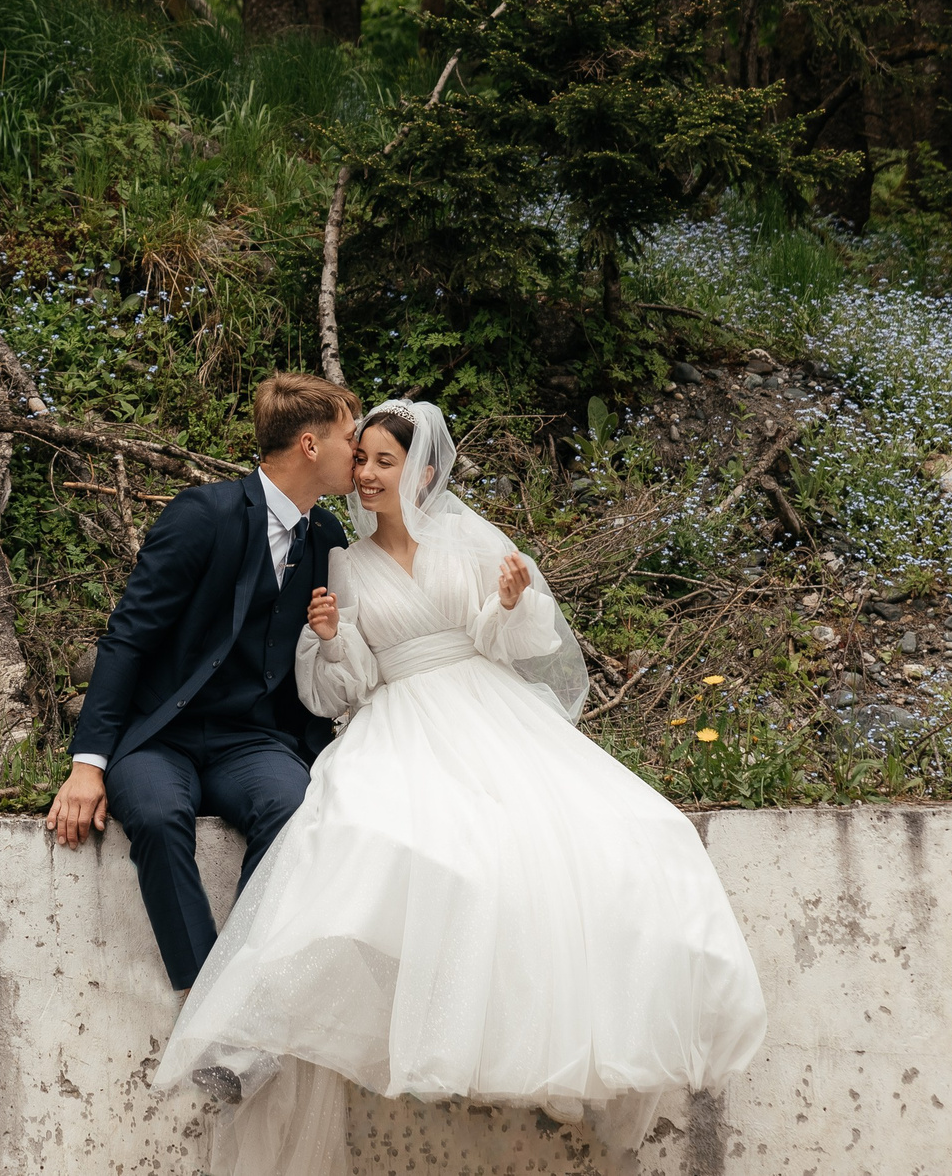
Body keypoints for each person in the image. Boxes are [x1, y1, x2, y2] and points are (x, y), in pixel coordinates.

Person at [154, 399, 765, 1176]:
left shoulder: (472, 541)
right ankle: (268, 1026)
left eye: (384, 461)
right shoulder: (344, 560)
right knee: (368, 839)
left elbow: (516, 641)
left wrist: (508, 603)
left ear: (424, 472)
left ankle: (557, 1029)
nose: (366, 473)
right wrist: (332, 639)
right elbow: (343, 688)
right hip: (396, 718)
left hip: (486, 708)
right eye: (362, 458)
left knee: (601, 842)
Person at [44, 372, 360, 993]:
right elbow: (128, 638)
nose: (359, 450)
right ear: (310, 445)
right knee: (158, 817)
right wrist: (88, 764)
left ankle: (240, 986)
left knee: (295, 807)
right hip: (161, 734)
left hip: (252, 739)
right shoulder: (203, 515)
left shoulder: (326, 536)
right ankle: (204, 995)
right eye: (350, 437)